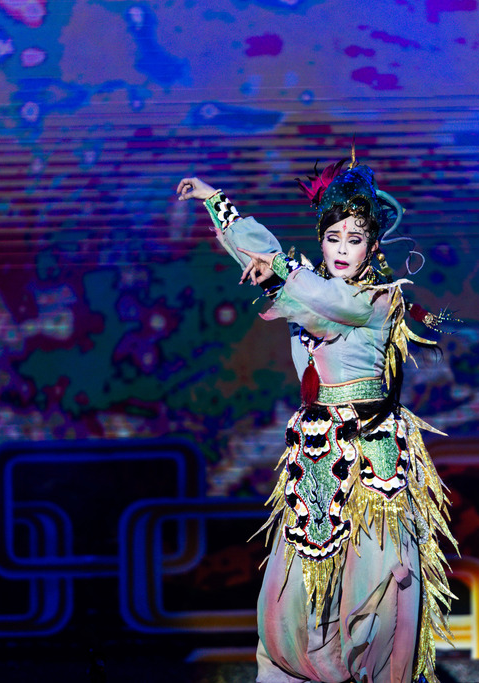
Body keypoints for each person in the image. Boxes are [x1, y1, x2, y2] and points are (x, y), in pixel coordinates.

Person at [177, 157, 456, 683]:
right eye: (333, 238)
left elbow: (325, 299)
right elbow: (270, 262)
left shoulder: (377, 299)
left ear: (372, 247)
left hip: (372, 464)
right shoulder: (305, 288)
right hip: (318, 456)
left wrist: (280, 269)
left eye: (355, 239)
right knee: (298, 599)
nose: (343, 249)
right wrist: (215, 200)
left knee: (375, 596)